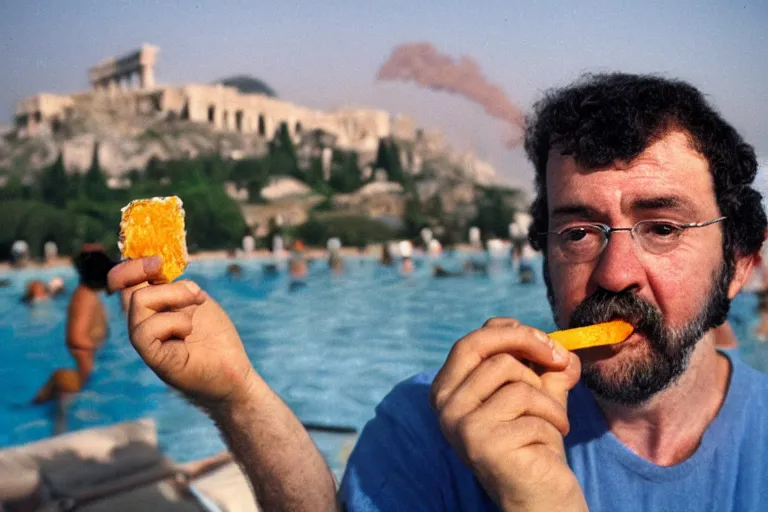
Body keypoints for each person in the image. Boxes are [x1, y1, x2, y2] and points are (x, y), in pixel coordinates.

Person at [106, 73, 768, 511]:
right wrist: (238, 394)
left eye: (661, 227)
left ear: (740, 262)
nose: (616, 271)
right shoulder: (432, 421)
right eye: (579, 231)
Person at [33, 246, 113, 403]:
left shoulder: (89, 294)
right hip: (79, 370)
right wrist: (93, 350)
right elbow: (75, 337)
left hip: (85, 365)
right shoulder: (84, 297)